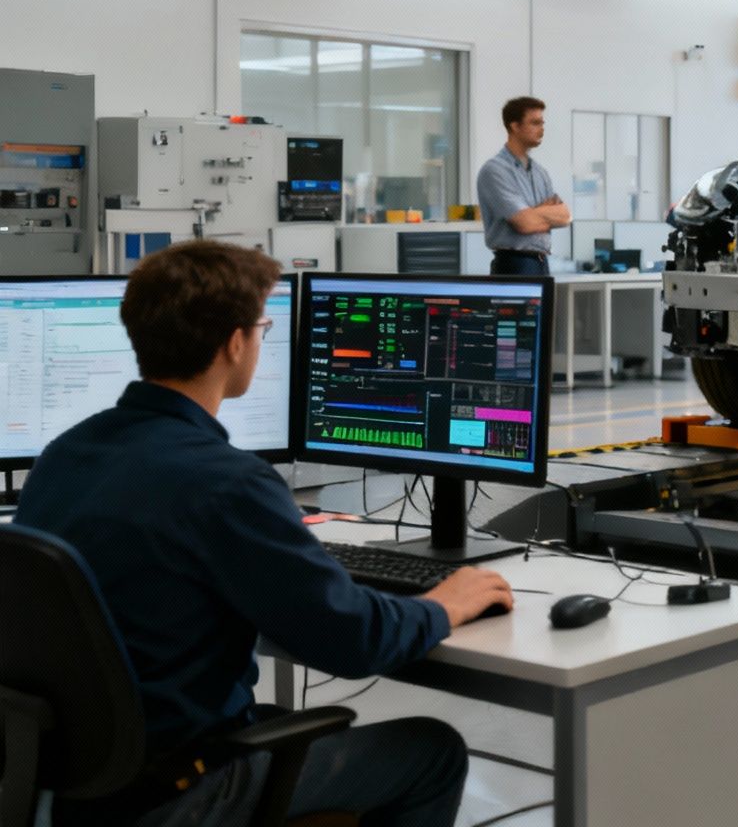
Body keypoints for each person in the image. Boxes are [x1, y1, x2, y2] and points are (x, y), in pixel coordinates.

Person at [16, 242, 514, 826]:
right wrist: (442, 604)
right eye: (262, 327)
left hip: (80, 787)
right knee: (433, 750)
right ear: (234, 342)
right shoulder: (228, 484)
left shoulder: (63, 454)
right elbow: (352, 642)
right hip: (179, 794)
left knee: (272, 713)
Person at [478, 95, 570, 277]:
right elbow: (525, 223)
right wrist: (542, 215)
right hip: (513, 264)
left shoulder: (540, 173)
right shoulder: (495, 171)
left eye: (542, 123)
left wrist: (534, 214)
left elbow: (565, 216)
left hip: (542, 263)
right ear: (515, 126)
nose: (542, 129)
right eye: (535, 123)